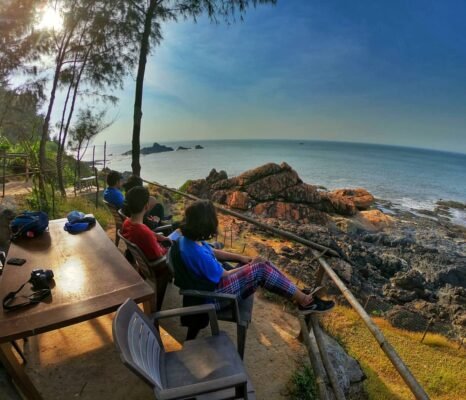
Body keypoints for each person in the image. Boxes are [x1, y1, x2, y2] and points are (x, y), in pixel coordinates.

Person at [177, 200, 335, 314]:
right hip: (214, 297)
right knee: (260, 268)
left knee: (260, 263)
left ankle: (299, 295)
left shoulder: (189, 239)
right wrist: (251, 266)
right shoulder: (195, 253)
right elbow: (223, 274)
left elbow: (212, 252)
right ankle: (305, 301)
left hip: (213, 286)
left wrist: (241, 258)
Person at [121, 186, 172, 260]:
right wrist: (170, 250)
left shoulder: (126, 222)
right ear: (146, 206)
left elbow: (148, 232)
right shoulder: (144, 233)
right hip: (160, 265)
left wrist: (161, 237)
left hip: (144, 258)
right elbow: (159, 257)